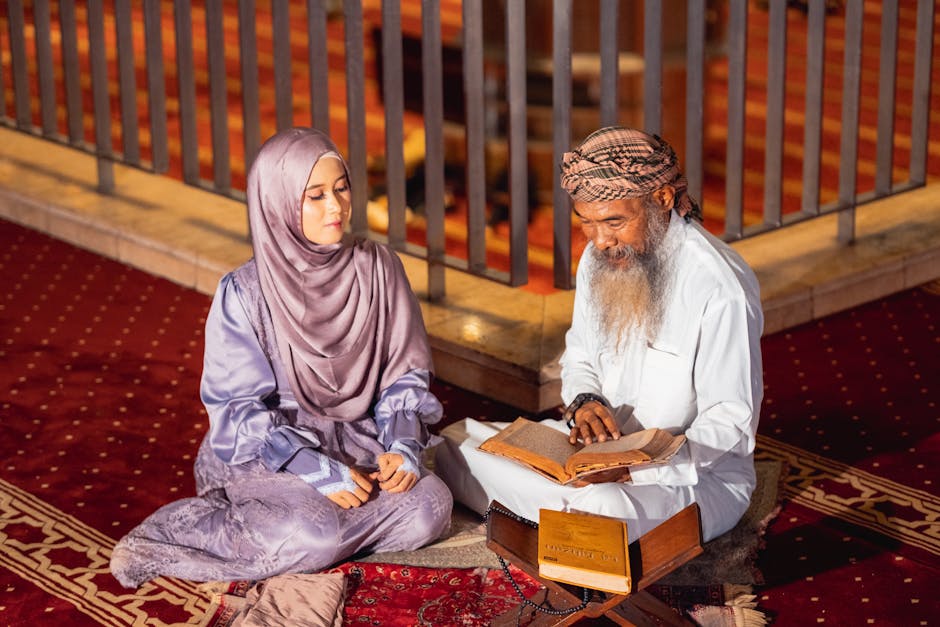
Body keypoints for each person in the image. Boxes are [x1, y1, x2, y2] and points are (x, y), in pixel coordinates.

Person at [110, 127, 452, 588]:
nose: (336, 206)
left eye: (341, 188)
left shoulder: (379, 267)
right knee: (312, 536)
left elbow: (403, 373)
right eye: (314, 196)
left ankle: (315, 536)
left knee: (431, 508)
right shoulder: (244, 292)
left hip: (360, 437)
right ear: (277, 203)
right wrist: (313, 467)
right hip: (274, 450)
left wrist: (404, 446)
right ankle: (208, 527)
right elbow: (236, 409)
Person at [435, 126, 763, 544]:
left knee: (602, 507)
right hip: (594, 458)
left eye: (614, 222)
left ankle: (569, 522)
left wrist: (632, 466)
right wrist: (586, 404)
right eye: (586, 224)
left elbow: (730, 423)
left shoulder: (720, 287)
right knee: (455, 442)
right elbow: (580, 357)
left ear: (661, 199)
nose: (600, 240)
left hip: (691, 480)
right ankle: (571, 526)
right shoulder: (600, 257)